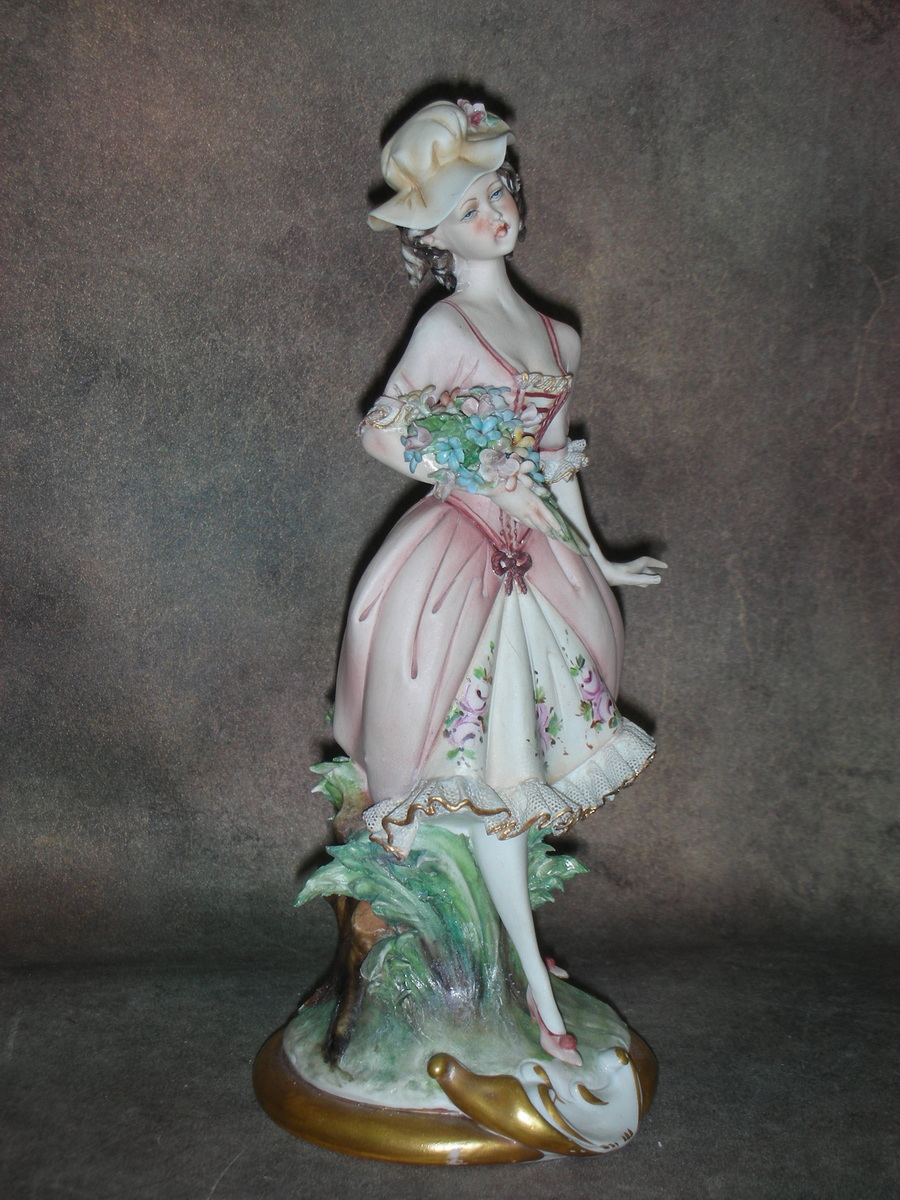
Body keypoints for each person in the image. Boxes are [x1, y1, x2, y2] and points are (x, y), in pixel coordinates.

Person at [332, 100, 665, 1066]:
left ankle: (509, 951)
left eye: (499, 192)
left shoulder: (558, 339)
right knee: (475, 770)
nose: (495, 214)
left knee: (513, 769)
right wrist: (465, 462)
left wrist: (599, 557)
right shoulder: (447, 324)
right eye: (469, 206)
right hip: (455, 564)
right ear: (434, 237)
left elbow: (557, 465)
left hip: (537, 569)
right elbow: (381, 429)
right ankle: (528, 982)